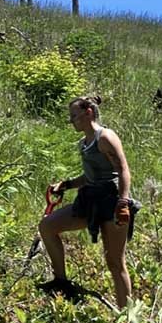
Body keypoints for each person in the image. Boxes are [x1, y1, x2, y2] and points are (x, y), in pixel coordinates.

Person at [37, 96, 139, 307]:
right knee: (47, 226)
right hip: (90, 201)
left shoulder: (105, 137)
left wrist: (123, 202)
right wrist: (67, 184)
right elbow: (90, 176)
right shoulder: (84, 143)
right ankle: (61, 282)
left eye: (74, 116)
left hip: (112, 203)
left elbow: (123, 170)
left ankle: (127, 319)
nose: (71, 121)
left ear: (88, 113)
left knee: (115, 262)